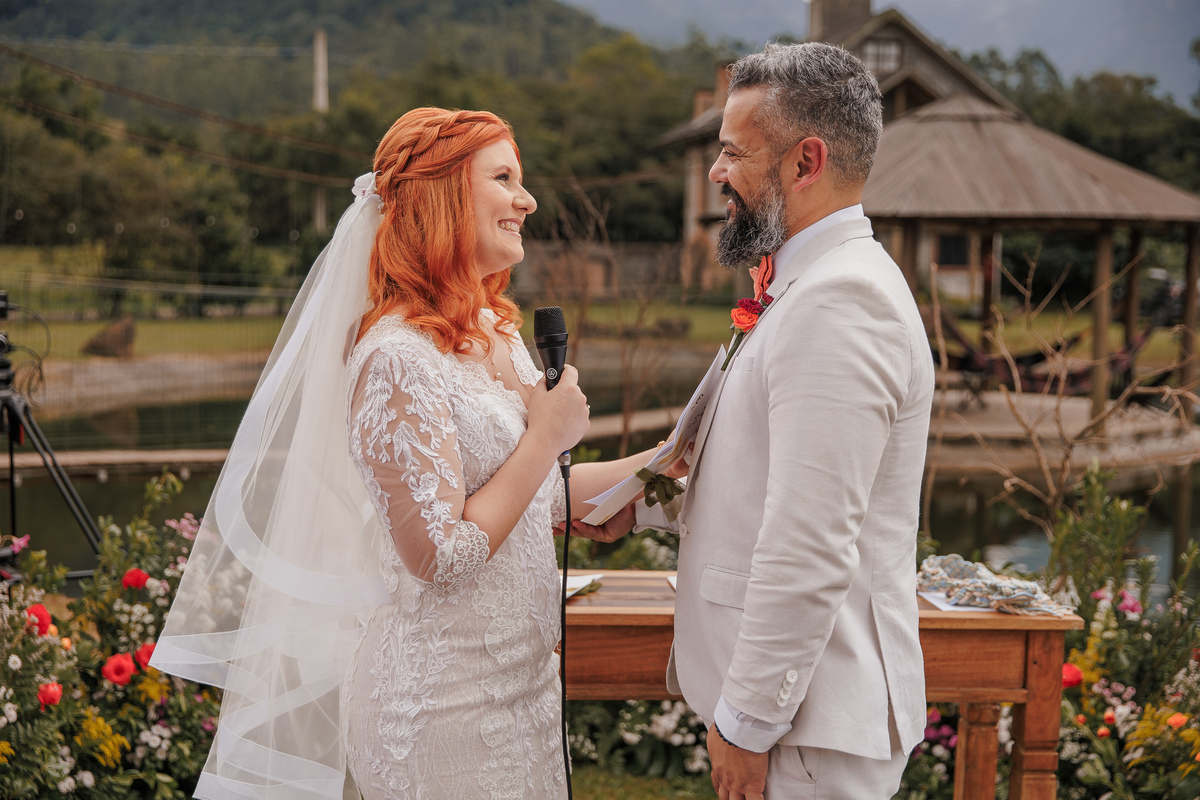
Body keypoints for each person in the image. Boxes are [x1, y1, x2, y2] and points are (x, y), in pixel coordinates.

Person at [153, 107, 655, 800]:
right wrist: (545, 436)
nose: (527, 199)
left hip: (525, 692)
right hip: (442, 711)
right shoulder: (396, 358)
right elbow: (439, 553)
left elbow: (528, 492)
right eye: (504, 177)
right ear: (443, 196)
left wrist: (666, 464)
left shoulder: (496, 334)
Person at [571, 43, 934, 800]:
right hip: (798, 724)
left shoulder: (841, 304)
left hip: (806, 728)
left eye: (733, 153)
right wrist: (628, 502)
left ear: (806, 162)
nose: (715, 173)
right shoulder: (802, 287)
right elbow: (742, 464)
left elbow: (809, 542)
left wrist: (746, 722)